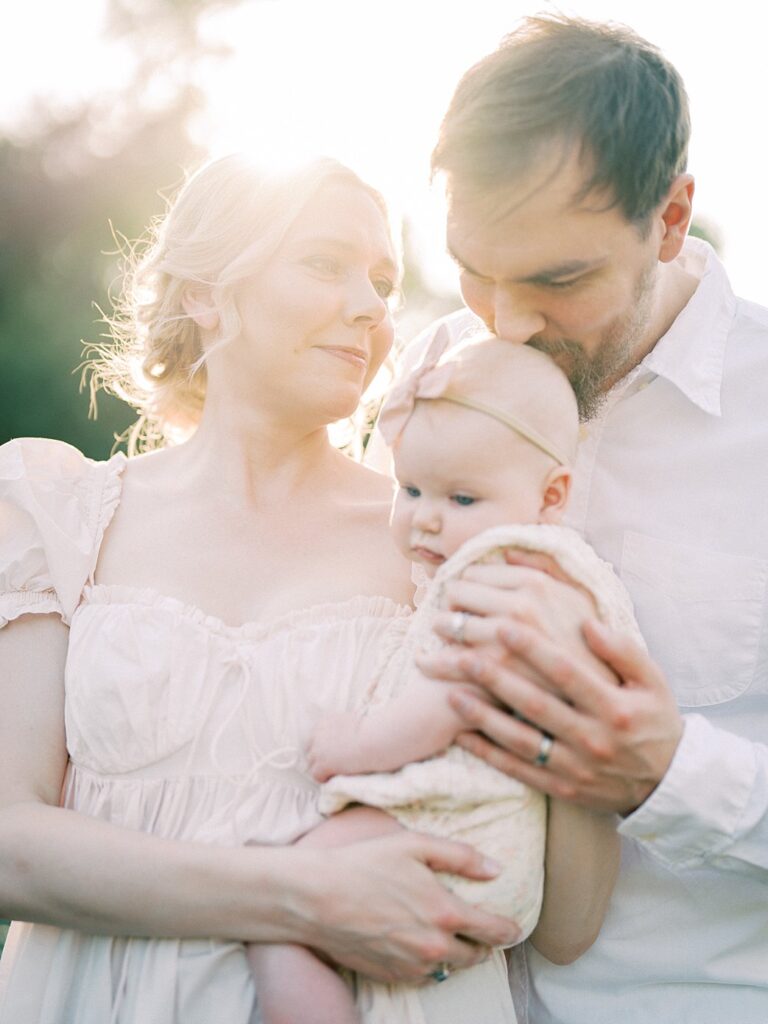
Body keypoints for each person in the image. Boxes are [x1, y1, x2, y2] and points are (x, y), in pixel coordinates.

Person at [0, 153, 527, 1024]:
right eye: (325, 263)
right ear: (206, 292)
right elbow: (10, 844)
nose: (371, 308)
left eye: (384, 282)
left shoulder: (437, 537)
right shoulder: (57, 517)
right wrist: (301, 896)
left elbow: (518, 846)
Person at [380, 13, 768, 1023]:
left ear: (673, 217)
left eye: (559, 280)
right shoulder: (429, 376)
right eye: (475, 267)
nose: (504, 321)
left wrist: (670, 769)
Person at [248, 334, 635, 1023]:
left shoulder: (501, 571)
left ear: (551, 495)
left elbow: (453, 698)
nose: (425, 516)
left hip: (463, 836)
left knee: (283, 907)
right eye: (410, 488)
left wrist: (362, 745)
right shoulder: (561, 570)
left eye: (461, 498)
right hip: (487, 852)